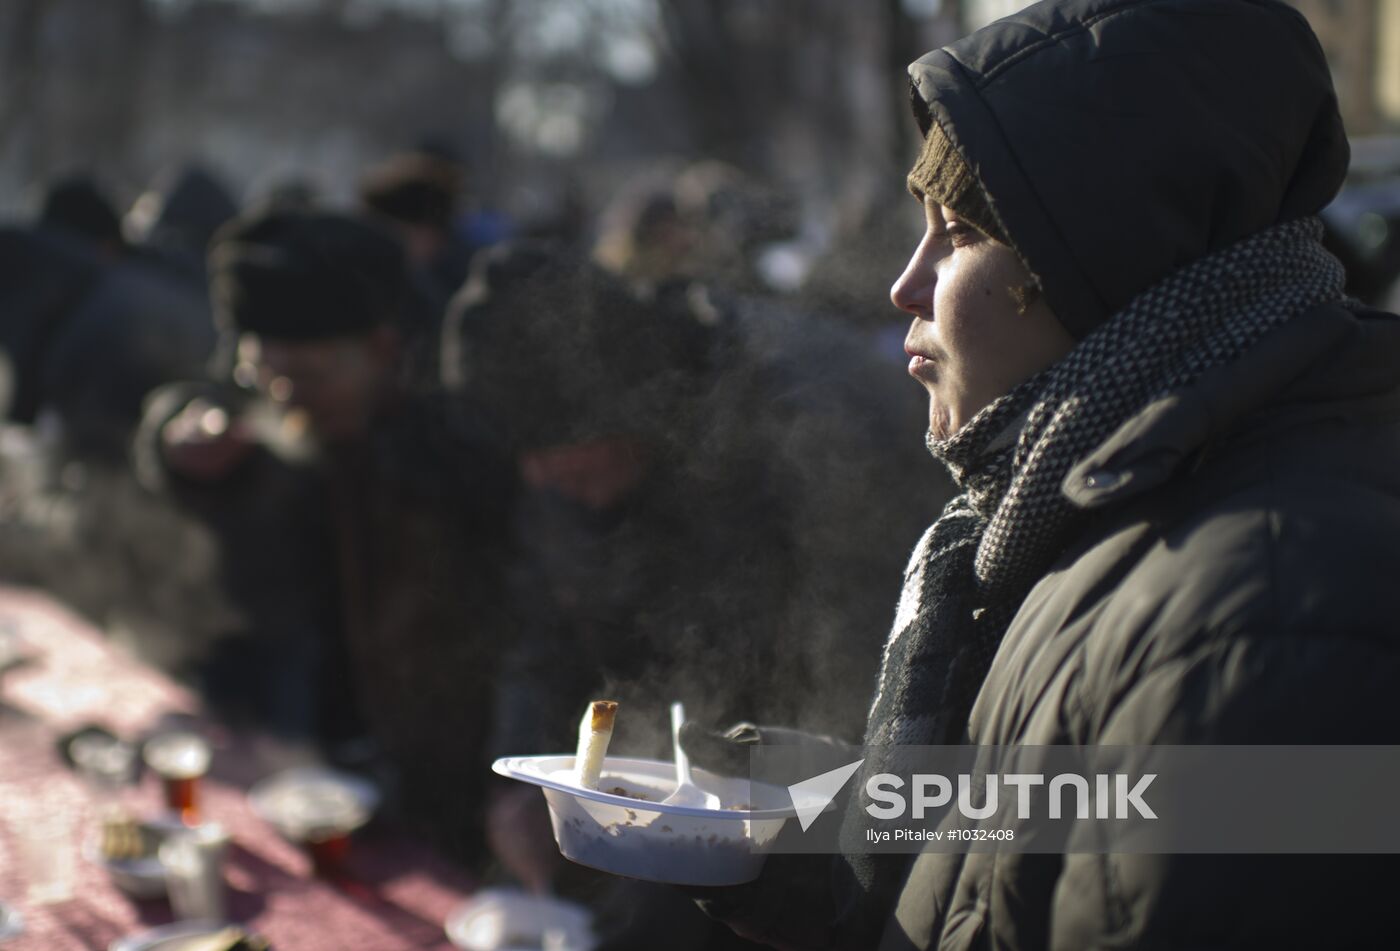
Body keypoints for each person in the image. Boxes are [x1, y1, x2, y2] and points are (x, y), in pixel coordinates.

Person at [690, 0, 1400, 948]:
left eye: (958, 232)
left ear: (1095, 260)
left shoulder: (1252, 618)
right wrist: (802, 826)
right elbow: (1043, 831)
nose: (905, 285)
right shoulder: (1105, 514)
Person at [136, 208, 516, 861]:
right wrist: (173, 442)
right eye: (266, 374)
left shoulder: (463, 421)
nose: (284, 398)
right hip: (301, 723)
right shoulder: (274, 367)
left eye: (310, 378)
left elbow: (521, 620)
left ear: (383, 347)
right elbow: (197, 406)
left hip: (446, 756)